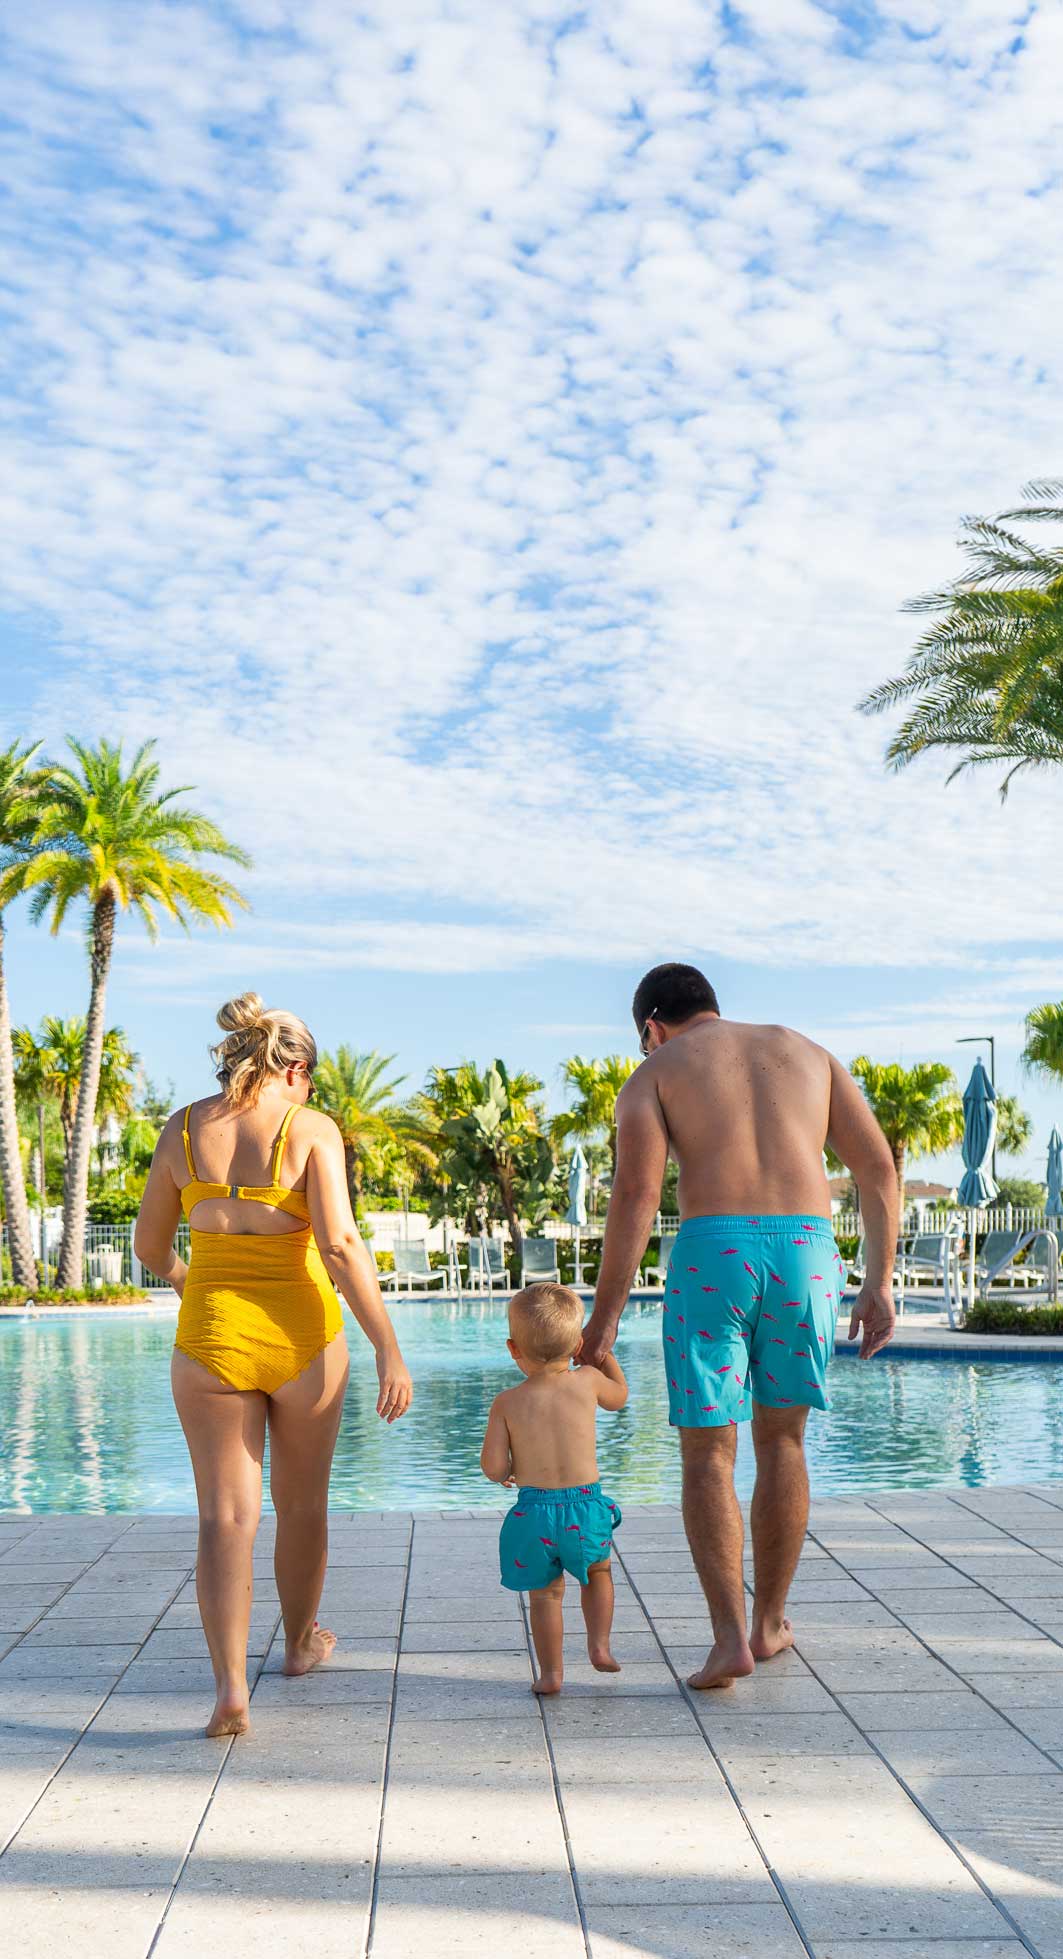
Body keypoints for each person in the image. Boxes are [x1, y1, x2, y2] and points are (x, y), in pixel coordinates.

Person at [580, 962, 897, 1692]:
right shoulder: (808, 1053)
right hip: (805, 1256)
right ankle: (769, 1621)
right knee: (782, 1439)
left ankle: (728, 1639)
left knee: (707, 1455)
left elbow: (635, 1196)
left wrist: (601, 1323)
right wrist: (877, 1281)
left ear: (651, 1027)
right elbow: (876, 1166)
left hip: (712, 1254)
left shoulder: (655, 1073)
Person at [135, 992, 413, 1738]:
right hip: (304, 1339)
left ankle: (230, 1687)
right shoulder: (309, 1128)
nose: (314, 1089)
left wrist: (191, 1280)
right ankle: (296, 1645)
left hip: (211, 1339)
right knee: (302, 1504)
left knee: (226, 1517)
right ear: (292, 1067)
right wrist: (388, 1344)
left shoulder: (183, 1128)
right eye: (312, 1076)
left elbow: (149, 1247)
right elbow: (341, 1246)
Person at [481, 1282, 628, 1696]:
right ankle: (599, 1646)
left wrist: (507, 1470)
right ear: (578, 1344)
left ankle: (551, 1675)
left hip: (535, 1513)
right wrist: (604, 1359)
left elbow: (493, 1467)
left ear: (514, 1349)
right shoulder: (588, 1382)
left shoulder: (507, 1402)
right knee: (597, 1573)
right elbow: (620, 1398)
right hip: (585, 1506)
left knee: (545, 1596)